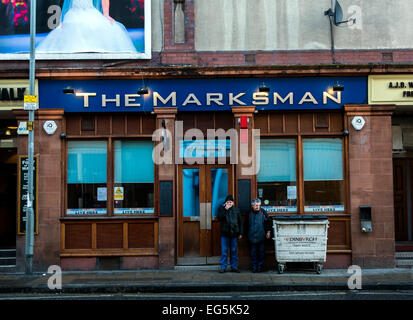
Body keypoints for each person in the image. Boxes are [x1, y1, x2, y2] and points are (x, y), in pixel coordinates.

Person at [37, 0, 137, 53]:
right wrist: (63, 20)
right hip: (73, 14)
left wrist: (106, 14)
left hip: (90, 11)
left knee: (100, 26)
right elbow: (67, 4)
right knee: (71, 28)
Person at [217, 195, 243, 273]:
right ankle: (223, 267)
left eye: (231, 202)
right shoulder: (221, 209)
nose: (229, 203)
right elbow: (219, 218)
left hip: (234, 234)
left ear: (233, 203)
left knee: (234, 251)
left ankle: (234, 267)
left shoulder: (237, 210)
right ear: (225, 203)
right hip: (224, 234)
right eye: (228, 202)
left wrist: (240, 233)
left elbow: (240, 222)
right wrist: (225, 210)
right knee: (224, 251)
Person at [245, 198, 272, 273]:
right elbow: (246, 225)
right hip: (252, 236)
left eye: (259, 205)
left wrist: (268, 231)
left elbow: (267, 222)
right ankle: (254, 267)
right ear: (252, 206)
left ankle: (260, 267)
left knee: (261, 252)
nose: (258, 207)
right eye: (256, 205)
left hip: (261, 236)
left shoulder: (263, 212)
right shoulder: (249, 213)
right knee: (253, 253)